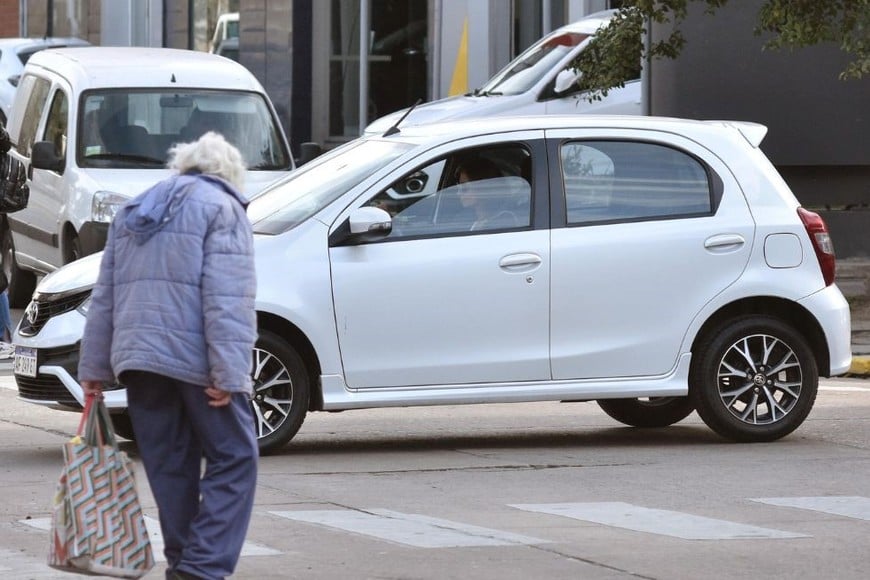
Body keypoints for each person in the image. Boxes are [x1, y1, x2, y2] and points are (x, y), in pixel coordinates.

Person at [77, 131, 258, 580]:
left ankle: (183, 562)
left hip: (138, 361)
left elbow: (106, 295)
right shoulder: (223, 208)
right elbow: (228, 298)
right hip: (195, 361)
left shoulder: (136, 209)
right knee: (235, 456)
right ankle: (202, 567)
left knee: (170, 464)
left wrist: (94, 368)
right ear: (230, 174)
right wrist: (229, 373)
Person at [455, 156, 520, 231]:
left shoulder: (505, 221)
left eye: (464, 189)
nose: (458, 193)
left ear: (482, 187)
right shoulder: (468, 220)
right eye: (458, 188)